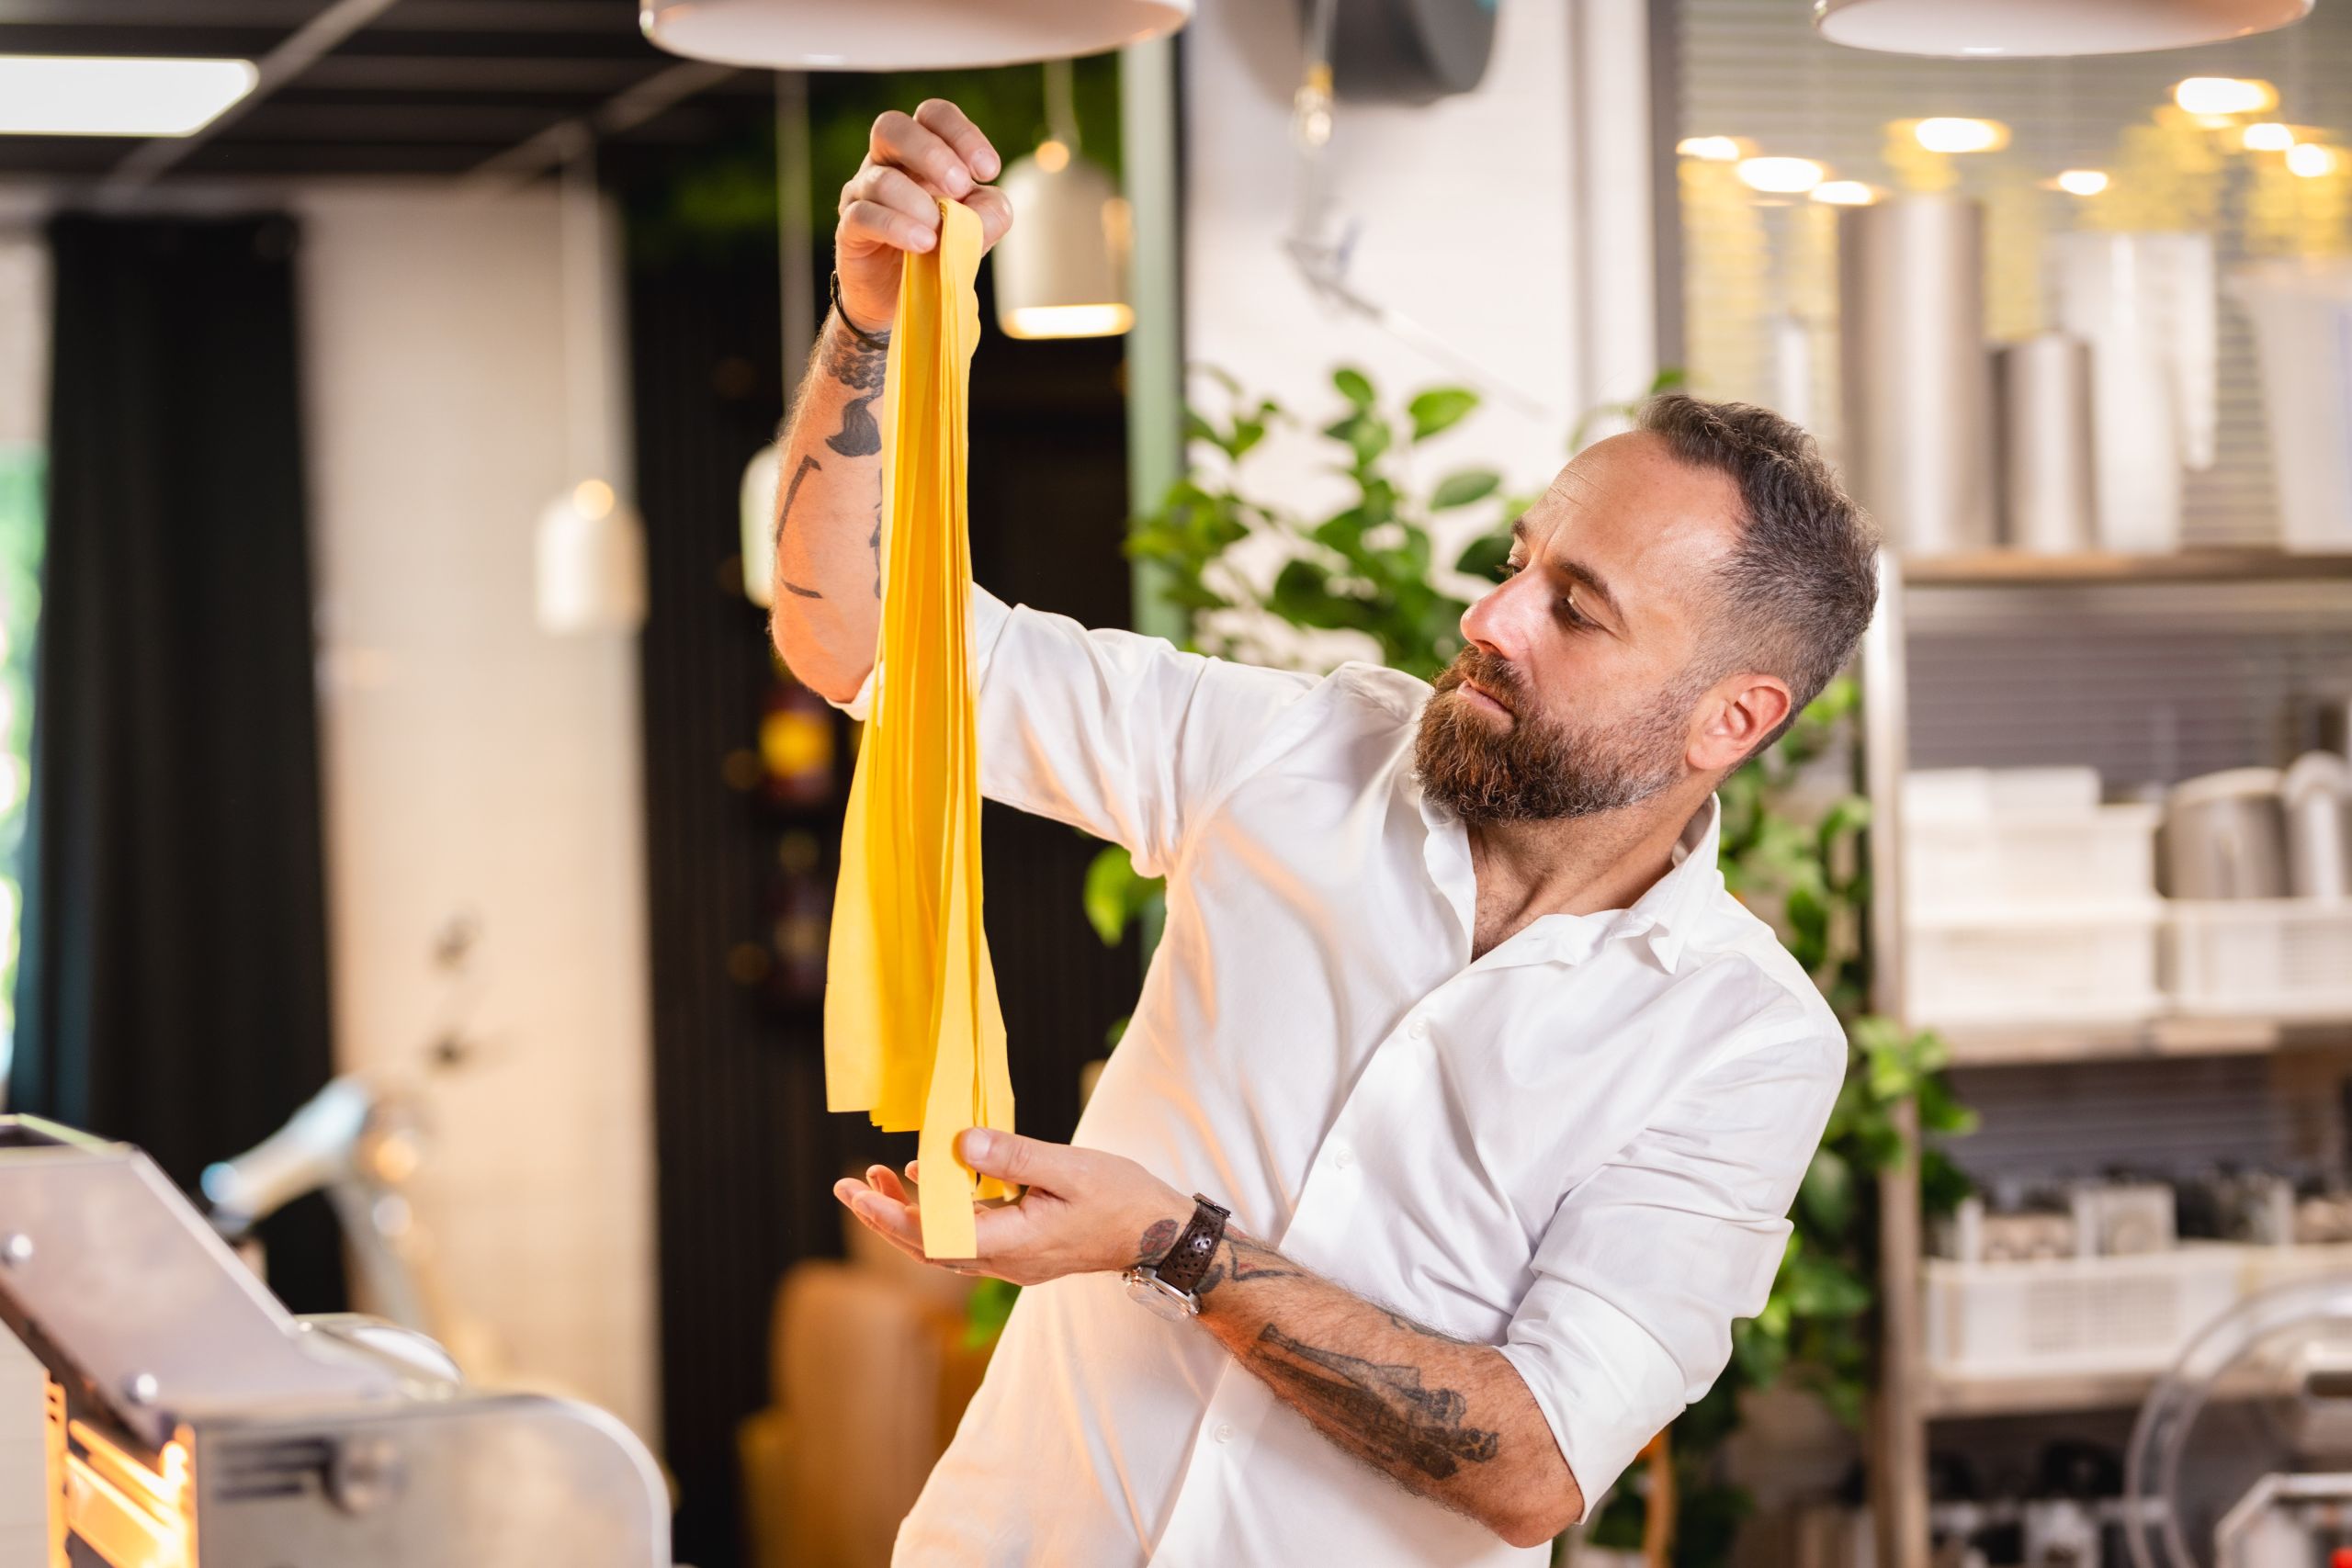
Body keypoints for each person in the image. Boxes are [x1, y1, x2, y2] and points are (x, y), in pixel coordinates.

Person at [772, 97, 1879, 1568]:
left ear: (1730, 720)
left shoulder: (1744, 1043)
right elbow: (854, 638)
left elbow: (1538, 1461)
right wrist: (871, 331)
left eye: (1578, 608)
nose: (1488, 620)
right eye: (1518, 562)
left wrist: (1170, 1243)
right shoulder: (1298, 752)